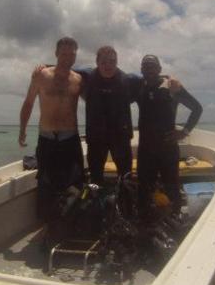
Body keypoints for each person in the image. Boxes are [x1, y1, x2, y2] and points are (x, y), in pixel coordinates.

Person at [19, 37, 85, 235]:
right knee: (46, 184)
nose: (67, 57)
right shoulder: (41, 76)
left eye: (71, 53)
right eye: (63, 53)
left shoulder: (79, 79)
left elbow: (97, 99)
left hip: (70, 138)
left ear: (75, 55)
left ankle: (70, 223)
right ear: (56, 54)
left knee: (74, 182)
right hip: (47, 138)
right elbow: (29, 102)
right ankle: (49, 228)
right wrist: (22, 130)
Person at [135, 54, 202, 221]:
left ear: (159, 69)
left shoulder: (172, 87)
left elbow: (197, 108)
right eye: (146, 66)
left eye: (152, 66)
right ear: (141, 70)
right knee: (144, 190)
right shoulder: (138, 87)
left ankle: (174, 221)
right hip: (145, 150)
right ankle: (146, 225)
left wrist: (184, 132)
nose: (149, 69)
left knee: (172, 189)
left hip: (167, 149)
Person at [78, 46, 140, 185]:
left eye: (112, 61)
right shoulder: (88, 76)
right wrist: (44, 67)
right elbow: (63, 68)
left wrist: (168, 77)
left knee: (126, 177)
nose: (108, 65)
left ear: (117, 61)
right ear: (97, 62)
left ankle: (126, 205)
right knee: (95, 178)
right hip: (96, 138)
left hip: (120, 137)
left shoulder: (128, 79)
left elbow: (149, 76)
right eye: (104, 62)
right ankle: (97, 205)